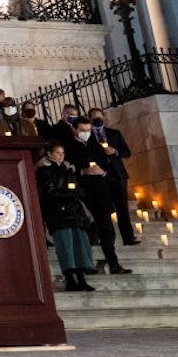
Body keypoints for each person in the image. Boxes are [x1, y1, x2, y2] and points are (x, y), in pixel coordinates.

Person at [63, 117, 131, 276]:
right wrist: (83, 171)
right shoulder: (70, 147)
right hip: (83, 194)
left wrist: (102, 172)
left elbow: (109, 169)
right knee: (86, 230)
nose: (86, 133)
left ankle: (113, 264)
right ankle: (86, 264)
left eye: (88, 130)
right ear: (75, 130)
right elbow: (67, 170)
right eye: (82, 131)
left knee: (107, 230)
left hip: (102, 193)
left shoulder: (97, 146)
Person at [35, 140, 96, 291]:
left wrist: (73, 192)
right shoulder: (45, 170)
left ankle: (81, 278)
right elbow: (50, 193)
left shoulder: (68, 169)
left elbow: (79, 189)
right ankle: (70, 279)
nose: (61, 156)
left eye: (63, 153)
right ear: (49, 154)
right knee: (66, 246)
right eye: (58, 153)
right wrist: (70, 193)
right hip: (59, 213)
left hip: (75, 212)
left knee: (79, 245)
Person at [88, 108, 139, 244]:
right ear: (90, 119)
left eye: (100, 117)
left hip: (118, 174)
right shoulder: (89, 137)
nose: (98, 120)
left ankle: (128, 237)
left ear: (104, 118)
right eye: (95, 118)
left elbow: (126, 152)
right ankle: (108, 237)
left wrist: (115, 152)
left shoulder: (114, 134)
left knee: (122, 207)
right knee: (105, 209)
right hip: (101, 176)